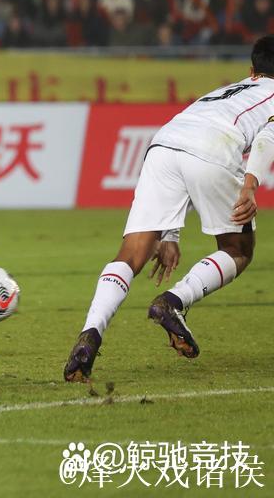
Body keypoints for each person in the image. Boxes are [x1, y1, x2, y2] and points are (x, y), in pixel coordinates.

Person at [64, 35, 274, 382]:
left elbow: (185, 152)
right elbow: (268, 137)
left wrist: (170, 234)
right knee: (238, 249)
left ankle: (92, 331)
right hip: (215, 148)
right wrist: (250, 185)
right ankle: (173, 301)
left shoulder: (227, 91)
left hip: (163, 144)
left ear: (252, 70)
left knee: (132, 253)